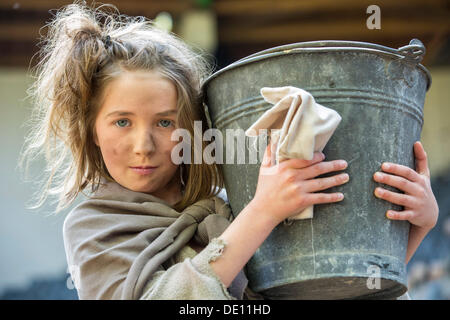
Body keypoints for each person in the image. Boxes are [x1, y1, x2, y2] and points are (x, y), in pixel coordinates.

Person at [19, 2, 439, 300]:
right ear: (92, 130)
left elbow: (331, 289)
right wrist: (262, 213)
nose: (143, 146)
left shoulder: (225, 213)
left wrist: (413, 226)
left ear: (191, 128)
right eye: (122, 121)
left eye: (165, 122)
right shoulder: (94, 227)